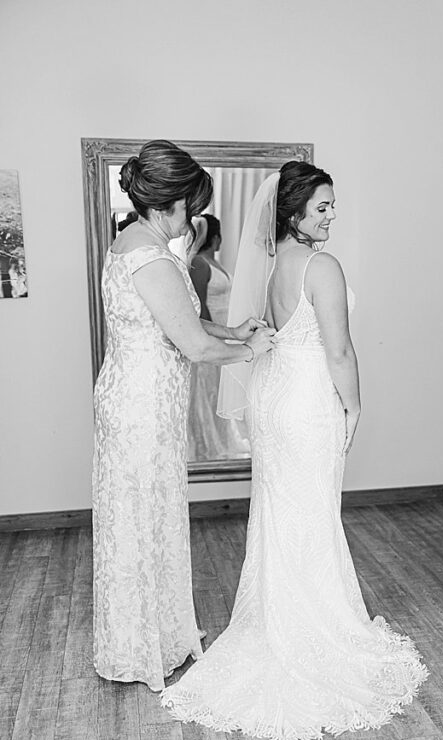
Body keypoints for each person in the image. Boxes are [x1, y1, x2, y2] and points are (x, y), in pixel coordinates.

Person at [160, 161, 428, 740]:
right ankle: (312, 631)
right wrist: (354, 406)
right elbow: (339, 351)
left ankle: (278, 621)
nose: (333, 215)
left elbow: (272, 333)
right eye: (323, 207)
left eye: (333, 205)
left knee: (285, 515)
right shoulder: (321, 266)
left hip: (275, 400)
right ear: (294, 214)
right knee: (310, 515)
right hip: (307, 404)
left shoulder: (276, 262)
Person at [93, 139, 274, 691]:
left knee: (147, 519)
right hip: (141, 407)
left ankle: (157, 635)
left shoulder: (137, 243)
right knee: (142, 521)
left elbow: (177, 323)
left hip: (140, 399)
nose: (191, 216)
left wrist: (234, 331)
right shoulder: (149, 257)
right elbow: (193, 346)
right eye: (188, 205)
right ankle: (137, 648)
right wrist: (256, 349)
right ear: (166, 203)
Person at [186, 214, 250, 460]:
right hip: (213, 336)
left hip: (229, 334)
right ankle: (207, 443)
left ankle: (223, 436)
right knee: (209, 392)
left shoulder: (215, 263)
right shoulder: (200, 264)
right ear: (215, 237)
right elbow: (200, 306)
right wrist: (216, 340)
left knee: (220, 390)